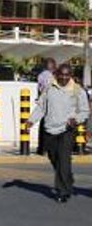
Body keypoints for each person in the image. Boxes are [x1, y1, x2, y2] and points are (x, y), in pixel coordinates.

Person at [24, 63, 89, 203]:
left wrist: (76, 119)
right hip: (50, 130)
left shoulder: (78, 91)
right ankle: (67, 178)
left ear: (71, 75)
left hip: (67, 130)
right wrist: (31, 121)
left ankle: (62, 191)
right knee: (54, 159)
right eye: (62, 74)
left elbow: (84, 111)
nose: (64, 77)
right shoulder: (49, 88)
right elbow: (41, 107)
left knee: (63, 160)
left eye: (67, 75)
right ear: (57, 74)